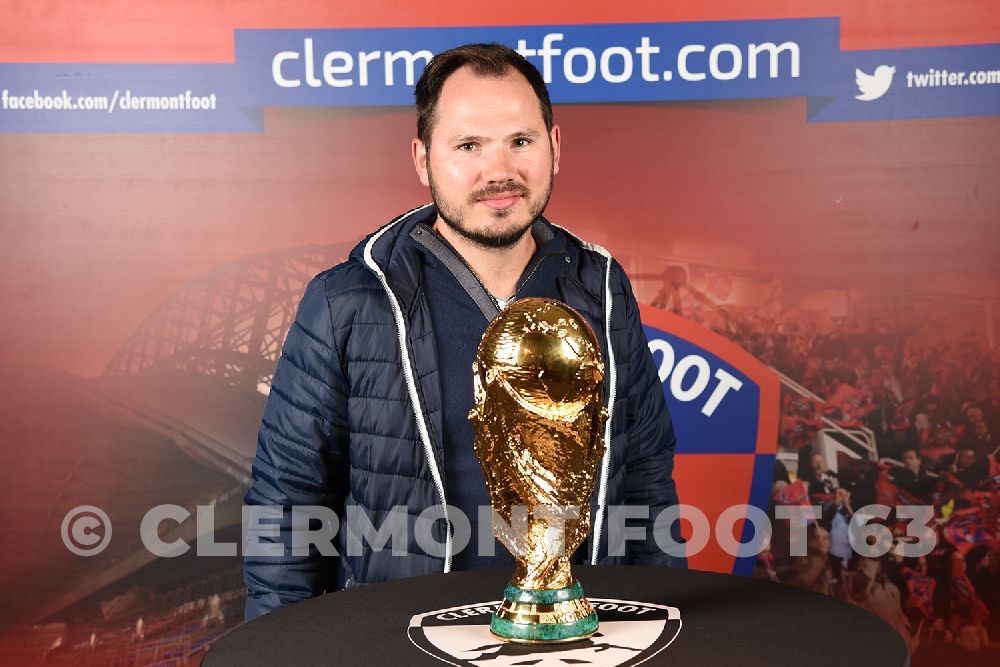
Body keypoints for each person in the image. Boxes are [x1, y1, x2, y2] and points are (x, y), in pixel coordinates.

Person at [243, 43, 685, 620]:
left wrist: (662, 632)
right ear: (424, 159)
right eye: (469, 145)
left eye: (520, 142)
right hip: (403, 647)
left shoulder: (602, 289)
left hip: (578, 640)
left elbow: (647, 479)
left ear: (554, 147)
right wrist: (278, 653)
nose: (498, 171)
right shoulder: (349, 299)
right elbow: (287, 507)